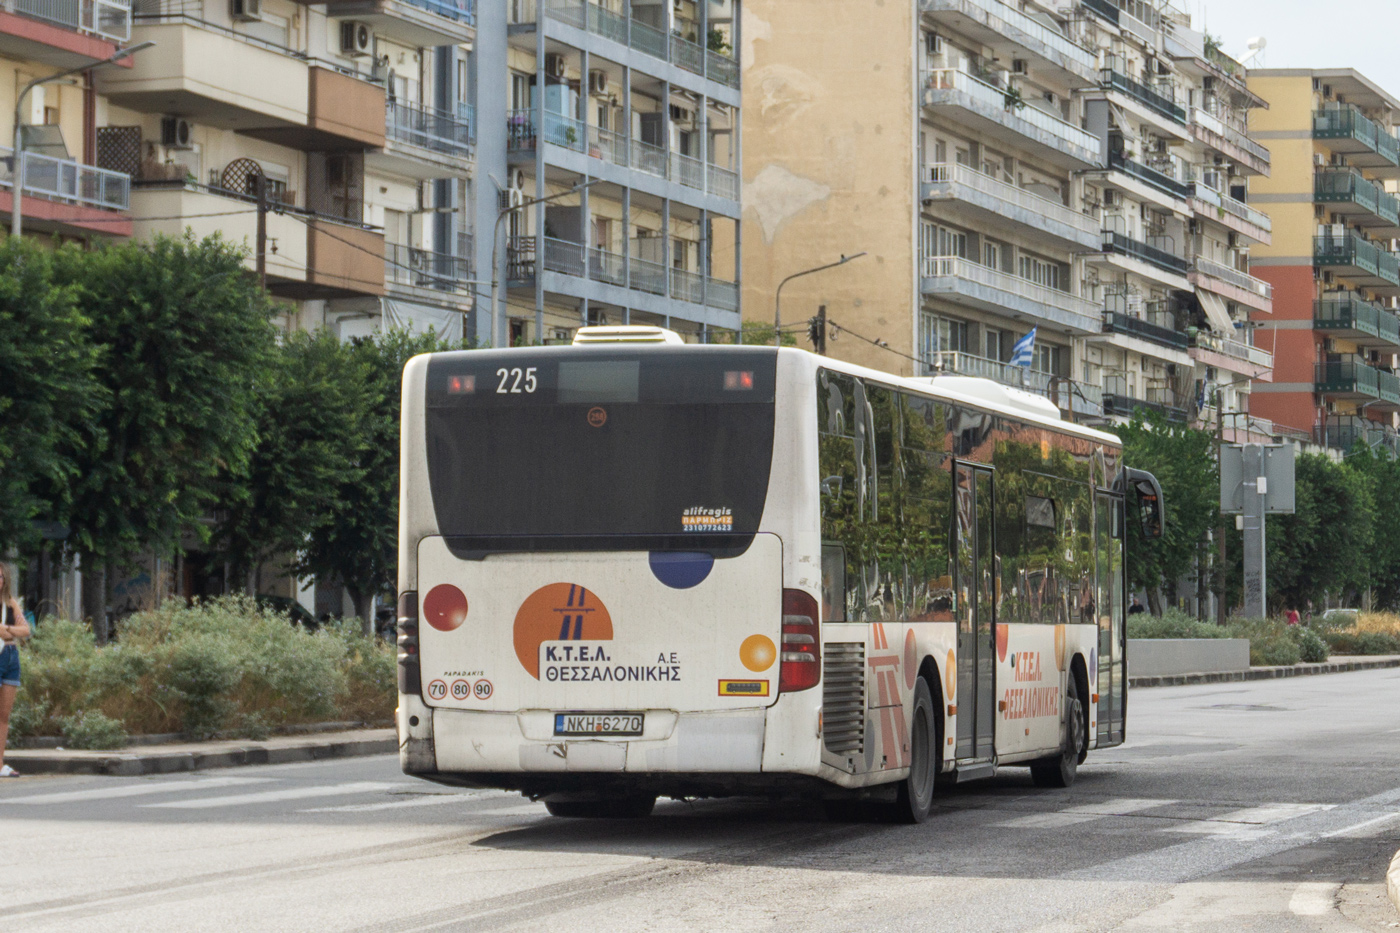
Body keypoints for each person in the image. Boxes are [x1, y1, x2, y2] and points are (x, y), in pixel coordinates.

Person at [0, 562, 31, 778]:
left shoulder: (10, 604)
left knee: (4, 715)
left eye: (1, 577)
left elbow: (26, 630)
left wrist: (7, 629)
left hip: (10, 657)